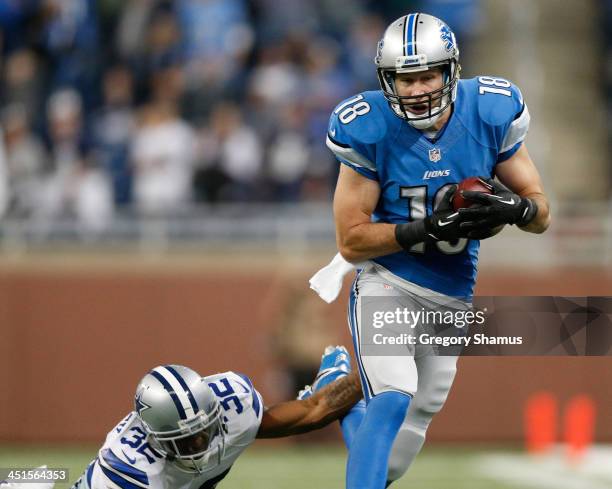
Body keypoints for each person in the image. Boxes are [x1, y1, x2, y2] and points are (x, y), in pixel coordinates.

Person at [323, 12, 551, 489]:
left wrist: (515, 208)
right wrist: (424, 228)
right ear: (388, 81)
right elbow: (351, 238)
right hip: (389, 281)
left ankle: (332, 396)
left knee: (397, 455)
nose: (418, 89)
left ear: (451, 72)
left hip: (452, 291)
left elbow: (541, 213)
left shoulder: (490, 109)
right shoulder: (367, 125)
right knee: (392, 397)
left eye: (428, 75)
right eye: (406, 80)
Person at [68, 347, 361, 489]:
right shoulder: (128, 470)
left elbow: (312, 412)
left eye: (204, 431)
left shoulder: (234, 406)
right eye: (185, 442)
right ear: (154, 438)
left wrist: (373, 373)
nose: (200, 445)